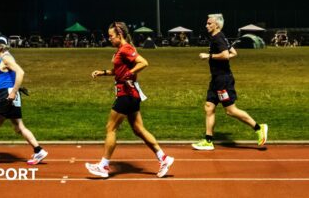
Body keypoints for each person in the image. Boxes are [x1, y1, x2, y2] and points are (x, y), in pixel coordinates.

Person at [85, 22, 174, 178]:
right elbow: (119, 71)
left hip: (126, 94)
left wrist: (130, 73)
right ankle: (164, 158)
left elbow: (144, 62)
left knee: (110, 128)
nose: (109, 39)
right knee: (138, 129)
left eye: (111, 36)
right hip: (131, 94)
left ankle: (103, 166)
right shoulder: (120, 50)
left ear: (120, 35)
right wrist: (103, 72)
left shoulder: (126, 48)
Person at [0, 36, 48, 167]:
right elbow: (7, 78)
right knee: (19, 127)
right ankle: (39, 150)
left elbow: (20, 73)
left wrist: (13, 92)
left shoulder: (6, 58)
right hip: (9, 94)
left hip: (7, 95)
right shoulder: (6, 57)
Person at [192, 14, 268, 150]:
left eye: (209, 23)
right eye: (207, 23)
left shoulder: (218, 38)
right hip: (216, 79)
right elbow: (233, 53)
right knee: (209, 107)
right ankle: (208, 141)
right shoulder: (220, 37)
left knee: (231, 111)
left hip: (223, 80)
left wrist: (208, 56)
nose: (206, 25)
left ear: (216, 25)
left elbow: (226, 55)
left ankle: (258, 128)